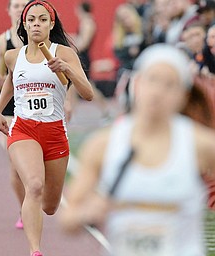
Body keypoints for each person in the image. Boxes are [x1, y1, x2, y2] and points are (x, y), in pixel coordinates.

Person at [59, 44, 215, 255]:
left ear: (184, 95)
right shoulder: (103, 145)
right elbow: (67, 220)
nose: (158, 92)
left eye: (170, 85)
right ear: (137, 84)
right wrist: (87, 212)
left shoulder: (200, 145)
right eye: (152, 80)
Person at [0, 1, 94, 255]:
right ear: (24, 25)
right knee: (34, 185)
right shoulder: (13, 56)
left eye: (41, 20)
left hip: (55, 132)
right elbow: (10, 80)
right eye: (31, 20)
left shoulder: (65, 52)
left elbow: (89, 93)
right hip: (24, 130)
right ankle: (35, 250)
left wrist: (67, 68)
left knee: (50, 206)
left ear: (50, 24)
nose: (35, 24)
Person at [0, 0, 28, 230]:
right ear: (8, 10)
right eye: (16, 5)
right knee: (16, 164)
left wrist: (68, 102)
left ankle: (36, 198)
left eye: (25, 5)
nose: (20, 9)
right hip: (11, 109)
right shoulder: (0, 42)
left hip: (36, 107)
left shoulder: (39, 37)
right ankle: (24, 208)